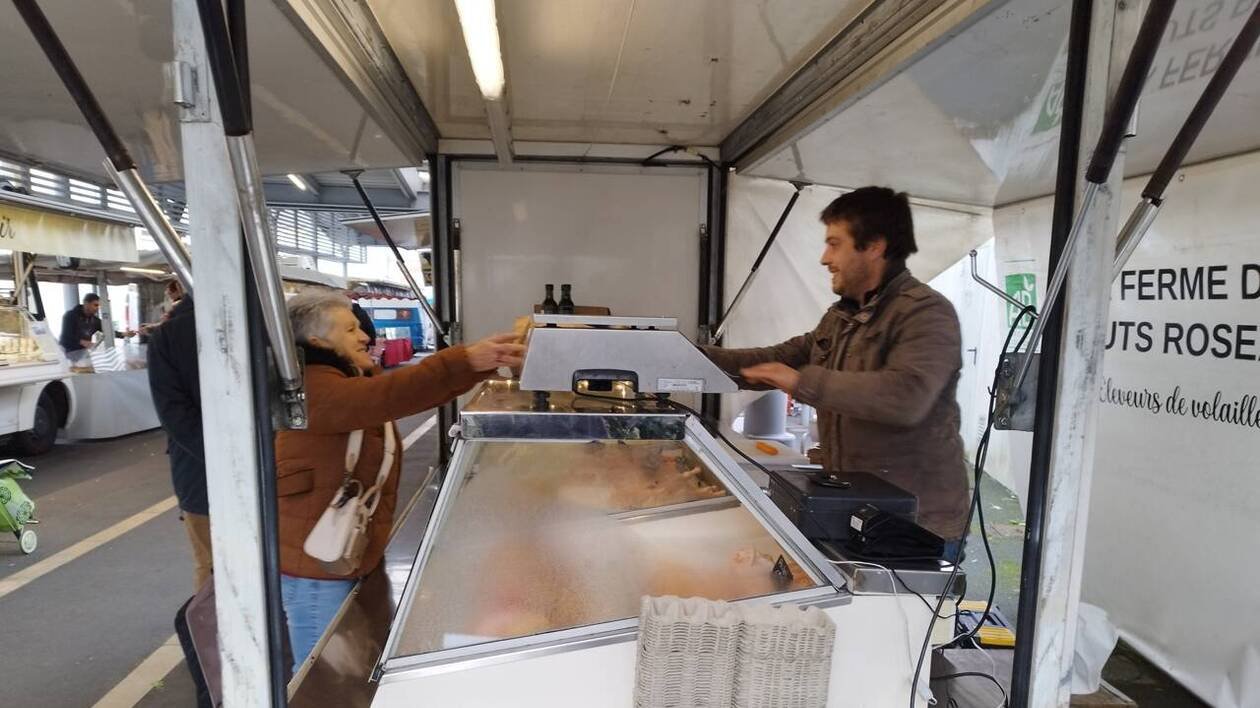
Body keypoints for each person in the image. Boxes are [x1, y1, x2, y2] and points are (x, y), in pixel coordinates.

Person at [703, 186, 970, 560]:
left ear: (874, 246)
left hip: (914, 527)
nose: (824, 258)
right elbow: (776, 358)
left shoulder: (925, 313)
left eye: (834, 244)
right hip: (853, 510)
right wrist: (684, 358)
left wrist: (800, 382)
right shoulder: (841, 316)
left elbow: (906, 397)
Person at [275, 291, 525, 672]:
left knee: (352, 665)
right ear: (317, 341)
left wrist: (478, 365)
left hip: (344, 555)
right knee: (323, 675)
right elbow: (388, 395)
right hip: (317, 567)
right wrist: (466, 361)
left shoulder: (347, 377)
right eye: (350, 328)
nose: (365, 336)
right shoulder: (310, 388)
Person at [145, 286, 209, 588]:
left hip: (197, 472)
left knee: (210, 565)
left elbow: (173, 413)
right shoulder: (261, 322)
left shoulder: (167, 335)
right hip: (266, 469)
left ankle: (215, 633)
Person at [59, 292, 136, 353]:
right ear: (86, 303)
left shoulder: (94, 320)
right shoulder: (70, 316)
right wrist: (82, 342)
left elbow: (107, 331)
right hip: (68, 354)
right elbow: (65, 338)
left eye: (99, 306)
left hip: (83, 354)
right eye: (95, 305)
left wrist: (124, 334)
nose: (97, 308)